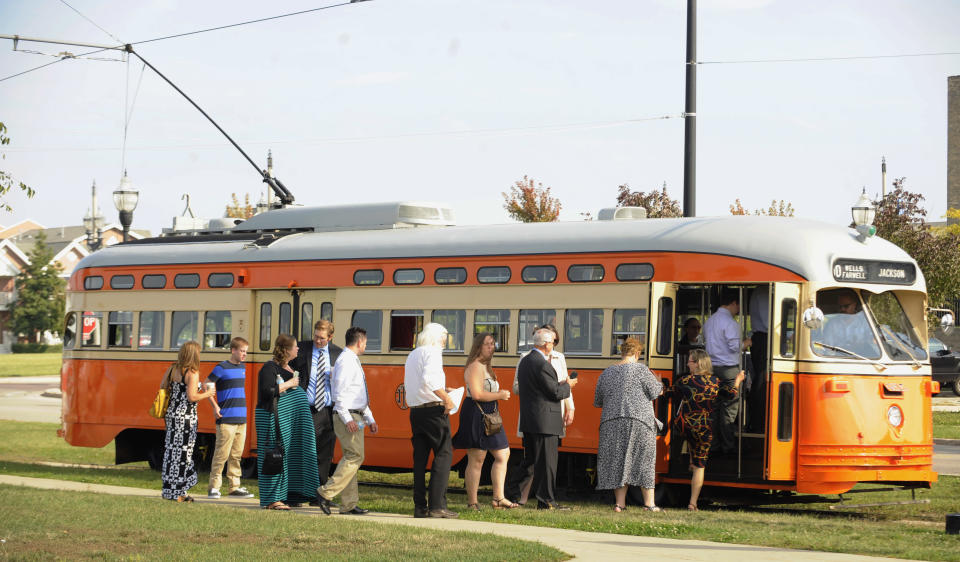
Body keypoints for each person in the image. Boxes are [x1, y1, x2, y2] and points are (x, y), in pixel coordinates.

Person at [506, 328, 578, 510]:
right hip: (545, 421)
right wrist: (568, 385)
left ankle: (512, 491)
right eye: (553, 342)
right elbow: (554, 392)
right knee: (547, 463)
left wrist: (559, 386)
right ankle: (546, 500)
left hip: (531, 419)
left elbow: (538, 388)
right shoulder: (542, 364)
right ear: (546, 344)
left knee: (531, 460)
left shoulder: (526, 361)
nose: (553, 345)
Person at [668, 349, 745, 511]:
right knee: (700, 466)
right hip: (704, 428)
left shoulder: (684, 380)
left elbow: (669, 394)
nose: (687, 363)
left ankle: (687, 459)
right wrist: (737, 380)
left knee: (689, 440)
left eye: (690, 361)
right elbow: (731, 395)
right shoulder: (715, 382)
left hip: (685, 426)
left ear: (697, 364)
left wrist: (658, 382)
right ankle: (693, 503)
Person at [594, 337, 664, 512]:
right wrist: (659, 381)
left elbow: (598, 401)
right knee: (644, 461)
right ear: (638, 353)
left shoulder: (606, 373)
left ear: (622, 352)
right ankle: (649, 504)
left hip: (611, 422)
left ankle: (620, 504)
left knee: (619, 461)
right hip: (639, 421)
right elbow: (656, 392)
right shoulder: (641, 370)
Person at [315, 326, 379, 516]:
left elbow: (357, 394)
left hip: (356, 414)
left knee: (350, 458)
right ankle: (325, 493)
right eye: (365, 342)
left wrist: (369, 418)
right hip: (348, 415)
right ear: (360, 342)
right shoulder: (346, 362)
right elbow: (340, 393)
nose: (366, 345)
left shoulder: (351, 360)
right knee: (354, 456)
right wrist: (347, 417)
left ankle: (349, 504)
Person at [452, 333, 516, 510]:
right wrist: (500, 395)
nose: (491, 347)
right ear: (478, 346)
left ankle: (498, 498)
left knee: (503, 454)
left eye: (493, 344)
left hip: (491, 414)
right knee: (477, 458)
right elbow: (477, 394)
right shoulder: (475, 366)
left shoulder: (487, 367)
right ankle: (472, 502)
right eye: (487, 344)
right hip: (476, 413)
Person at [256, 334, 320, 510]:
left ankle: (291, 494)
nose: (298, 349)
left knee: (293, 456)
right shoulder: (269, 368)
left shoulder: (290, 367)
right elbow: (266, 391)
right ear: (286, 350)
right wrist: (289, 384)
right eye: (295, 346)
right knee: (274, 456)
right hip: (272, 417)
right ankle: (272, 499)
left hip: (290, 421)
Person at [404, 322, 458, 518]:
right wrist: (446, 398)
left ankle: (419, 506)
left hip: (416, 412)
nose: (445, 341)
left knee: (419, 460)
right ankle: (437, 505)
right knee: (444, 454)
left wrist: (444, 390)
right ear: (436, 337)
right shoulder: (433, 352)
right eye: (444, 337)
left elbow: (420, 382)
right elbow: (430, 379)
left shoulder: (413, 354)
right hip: (433, 411)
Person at [290, 320, 342, 495]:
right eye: (315, 336)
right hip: (307, 409)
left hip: (328, 410)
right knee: (303, 450)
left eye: (321, 338)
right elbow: (290, 369)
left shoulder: (337, 354)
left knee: (325, 453)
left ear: (330, 337)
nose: (317, 341)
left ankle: (317, 493)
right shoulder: (302, 349)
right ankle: (297, 492)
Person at [161, 340, 216, 502]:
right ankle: (179, 491)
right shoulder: (192, 373)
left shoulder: (172, 369)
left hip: (171, 415)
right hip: (185, 418)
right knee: (184, 454)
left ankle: (171, 491)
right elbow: (192, 397)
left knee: (171, 453)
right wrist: (207, 394)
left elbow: (163, 386)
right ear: (194, 355)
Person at [206, 336, 254, 499]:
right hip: (225, 419)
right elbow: (206, 384)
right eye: (241, 351)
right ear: (233, 350)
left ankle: (234, 487)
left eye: (245, 352)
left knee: (236, 455)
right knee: (222, 454)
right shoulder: (221, 368)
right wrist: (215, 406)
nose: (244, 354)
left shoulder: (243, 367)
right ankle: (214, 487)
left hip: (241, 419)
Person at [703, 289, 750, 454]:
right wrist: (747, 342)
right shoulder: (730, 323)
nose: (738, 310)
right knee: (729, 409)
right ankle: (728, 447)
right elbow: (735, 347)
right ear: (734, 303)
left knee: (714, 409)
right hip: (729, 371)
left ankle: (714, 446)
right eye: (738, 306)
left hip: (711, 370)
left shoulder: (709, 321)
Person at [816, 290, 880, 358]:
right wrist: (845, 348)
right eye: (840, 307)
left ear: (854, 305)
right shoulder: (832, 324)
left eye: (846, 306)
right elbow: (827, 347)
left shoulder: (865, 322)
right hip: (839, 358)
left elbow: (874, 340)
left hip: (863, 358)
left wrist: (864, 343)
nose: (843, 309)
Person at [747, 286, 769, 432]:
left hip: (762, 338)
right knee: (761, 382)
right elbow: (769, 323)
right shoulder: (763, 292)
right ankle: (758, 424)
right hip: (763, 338)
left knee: (761, 381)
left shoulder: (761, 291)